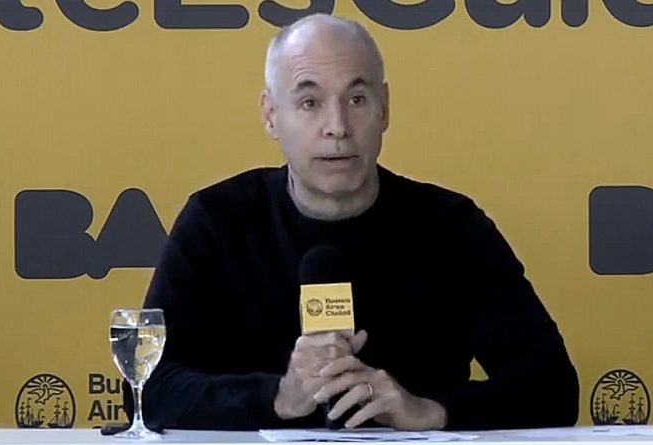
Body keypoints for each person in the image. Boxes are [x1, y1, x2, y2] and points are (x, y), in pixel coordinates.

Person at [137, 13, 579, 431]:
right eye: (310, 102)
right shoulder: (217, 221)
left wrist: (428, 411)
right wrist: (278, 396)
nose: (337, 126)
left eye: (356, 99)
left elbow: (552, 386)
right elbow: (148, 389)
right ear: (271, 115)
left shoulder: (452, 227)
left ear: (384, 109)